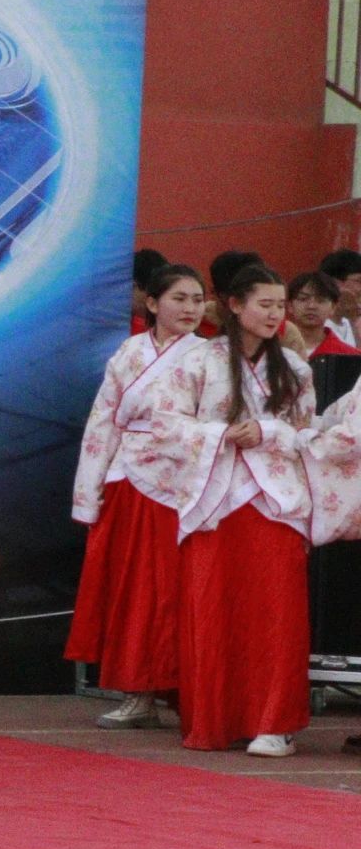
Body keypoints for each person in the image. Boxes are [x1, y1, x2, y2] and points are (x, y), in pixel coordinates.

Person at [129, 261, 314, 756]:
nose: (275, 314)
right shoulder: (197, 360)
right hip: (215, 500)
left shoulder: (294, 368)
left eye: (280, 306)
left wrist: (268, 431)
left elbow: (305, 432)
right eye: (265, 304)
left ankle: (275, 722)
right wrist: (219, 434)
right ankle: (216, 718)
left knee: (276, 614)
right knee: (214, 610)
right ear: (234, 305)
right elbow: (165, 424)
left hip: (274, 501)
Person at [68, 261, 207, 729]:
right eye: (179, 298)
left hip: (183, 484)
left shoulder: (210, 356)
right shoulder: (130, 351)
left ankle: (189, 693)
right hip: (127, 479)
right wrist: (90, 490)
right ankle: (138, 692)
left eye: (197, 299)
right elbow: (103, 420)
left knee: (175, 589)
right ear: (151, 303)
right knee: (133, 590)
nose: (190, 308)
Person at [283, 272, 355, 359]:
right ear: (290, 305)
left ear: (333, 307)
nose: (311, 306)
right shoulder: (273, 349)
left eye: (320, 300)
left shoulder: (351, 356)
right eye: (303, 299)